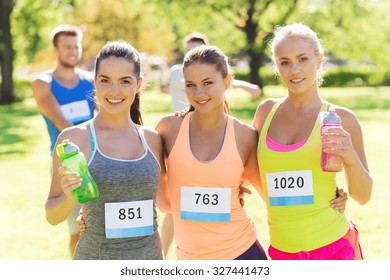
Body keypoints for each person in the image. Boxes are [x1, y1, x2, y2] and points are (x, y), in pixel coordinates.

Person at [252, 22, 373, 260]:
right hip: (282, 252)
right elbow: (249, 169)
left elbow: (363, 195)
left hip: (335, 249)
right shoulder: (266, 112)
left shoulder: (342, 119)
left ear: (319, 59)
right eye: (284, 62)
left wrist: (349, 156)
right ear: (277, 66)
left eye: (302, 59)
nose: (294, 70)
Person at [45, 41, 169, 260]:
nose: (114, 91)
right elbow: (52, 216)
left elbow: (168, 203)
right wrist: (69, 197)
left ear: (138, 84)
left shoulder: (153, 139)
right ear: (94, 83)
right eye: (105, 81)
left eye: (125, 81)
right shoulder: (73, 139)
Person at [156, 45, 268, 260]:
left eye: (208, 83)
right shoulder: (168, 129)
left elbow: (269, 194)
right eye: (191, 85)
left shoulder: (244, 135)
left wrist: (330, 193)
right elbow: (165, 203)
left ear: (227, 81)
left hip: (243, 253)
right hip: (190, 259)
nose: (199, 93)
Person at [31, 24, 95, 257]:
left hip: (98, 158)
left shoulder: (92, 81)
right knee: (78, 230)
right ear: (56, 49)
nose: (73, 51)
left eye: (76, 46)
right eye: (67, 47)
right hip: (68, 164)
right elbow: (63, 126)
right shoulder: (43, 83)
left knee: (102, 227)